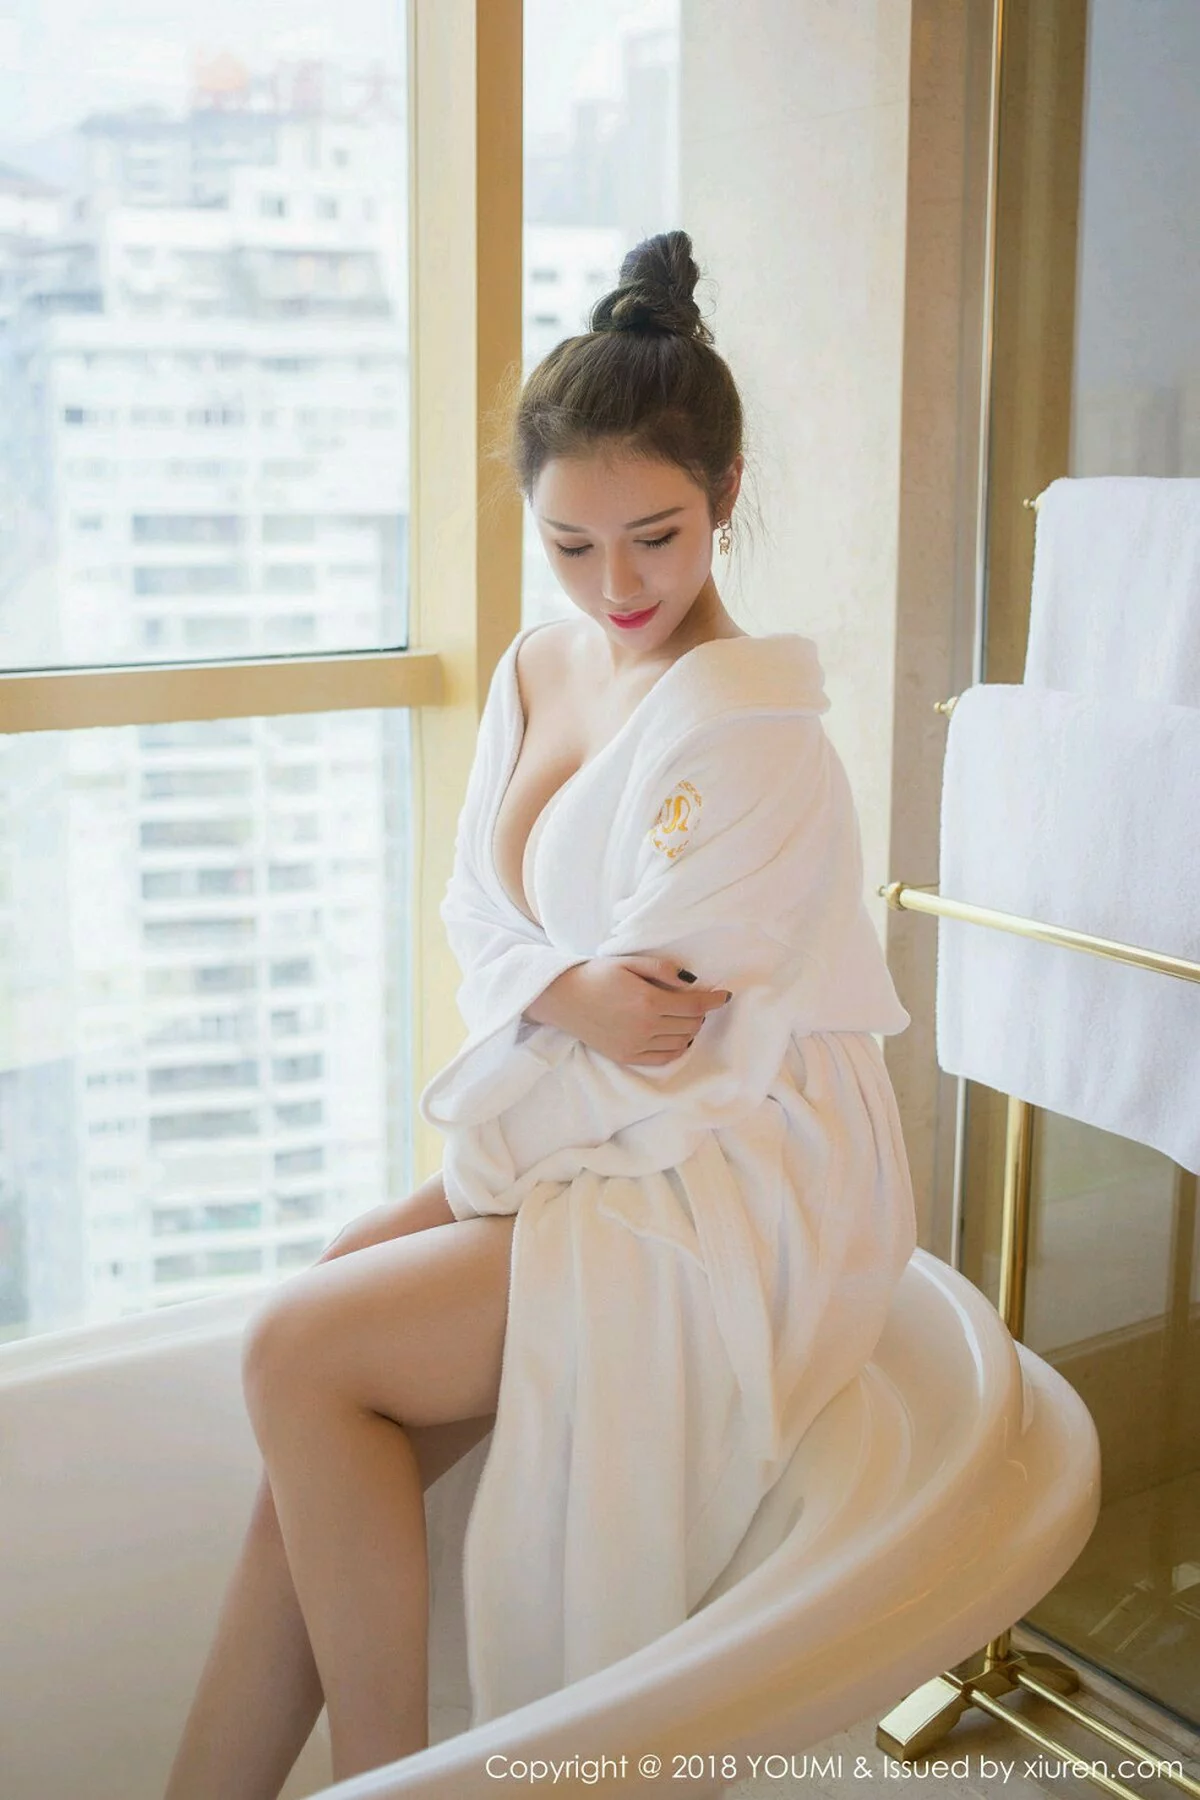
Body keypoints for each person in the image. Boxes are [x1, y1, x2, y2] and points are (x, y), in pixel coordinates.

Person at [163, 229, 916, 1799]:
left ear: (725, 493)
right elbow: (480, 918)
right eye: (572, 544)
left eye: (657, 537)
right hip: (585, 1120)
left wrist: (529, 1085)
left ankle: (392, 1778)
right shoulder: (537, 666)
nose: (618, 588)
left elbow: (675, 1052)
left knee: (303, 1349)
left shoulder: (752, 730)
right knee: (321, 1338)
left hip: (727, 1161)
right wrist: (563, 987)